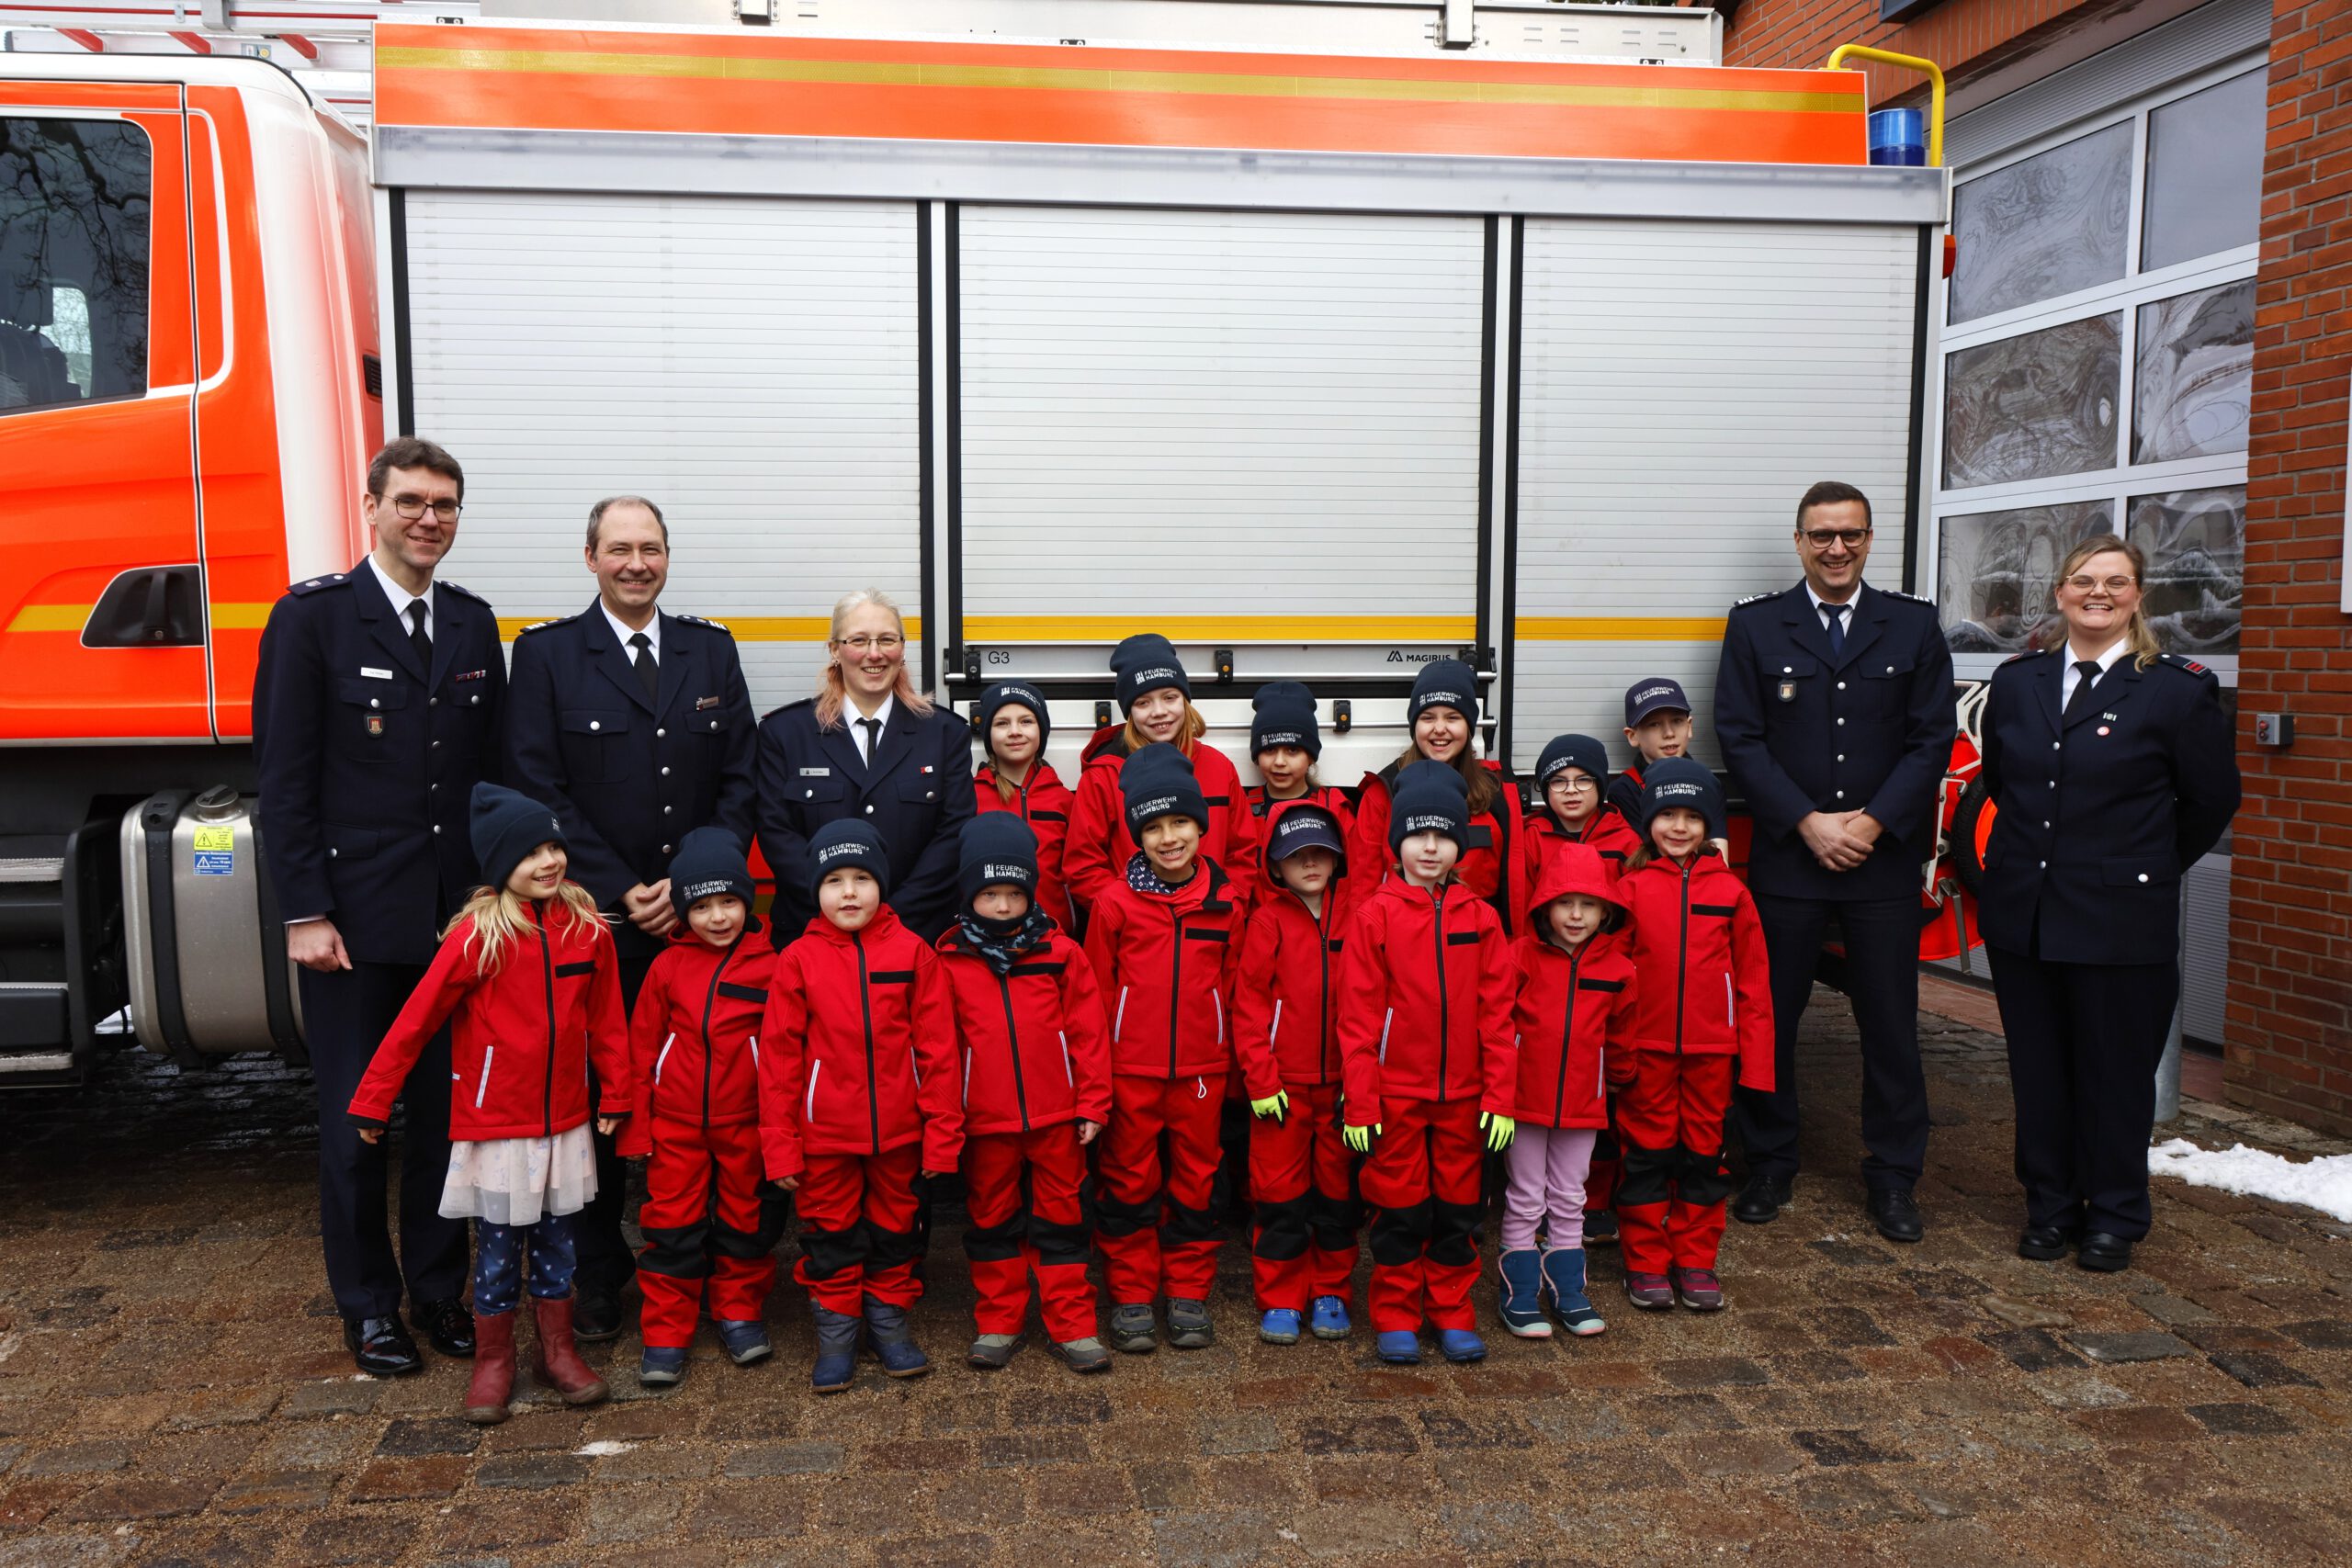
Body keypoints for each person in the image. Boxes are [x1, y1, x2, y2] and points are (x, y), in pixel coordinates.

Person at [252, 436, 503, 1378]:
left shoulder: (471, 623)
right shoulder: (312, 620)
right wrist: (304, 911)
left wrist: (493, 891)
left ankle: (438, 1293)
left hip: (451, 923)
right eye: (411, 502)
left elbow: (487, 776)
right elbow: (284, 782)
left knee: (444, 1124)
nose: (429, 519)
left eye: (444, 505)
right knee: (356, 1128)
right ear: (371, 507)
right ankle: (368, 1307)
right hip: (352, 927)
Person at [503, 494, 758, 1340]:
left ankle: (717, 1266)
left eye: (651, 548)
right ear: (591, 558)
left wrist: (691, 885)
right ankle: (602, 1270)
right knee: (602, 1095)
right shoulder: (546, 655)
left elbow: (740, 775)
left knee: (713, 1096)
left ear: (667, 556)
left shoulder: (710, 649)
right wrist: (621, 887)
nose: (637, 564)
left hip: (697, 920)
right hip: (601, 922)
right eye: (620, 549)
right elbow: (538, 784)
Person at [1977, 535, 2240, 1273]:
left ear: (2137, 596)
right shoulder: (2018, 682)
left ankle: (2114, 1214)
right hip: (2027, 914)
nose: (2099, 593)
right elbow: (2002, 780)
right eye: (2084, 580)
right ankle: (2050, 1206)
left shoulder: (2176, 689)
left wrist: (2141, 868)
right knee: (2040, 1071)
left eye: (2116, 582)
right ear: (2060, 593)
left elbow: (2212, 799)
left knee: (2116, 1075)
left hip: (2121, 920)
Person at [1714, 479, 1956, 1241]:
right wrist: (1808, 822)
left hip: (1881, 863)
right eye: (1822, 535)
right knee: (1771, 1019)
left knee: (1890, 1024)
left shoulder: (1912, 625)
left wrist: (1874, 823)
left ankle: (1894, 1176)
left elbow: (1932, 739)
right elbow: (1739, 736)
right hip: (1792, 859)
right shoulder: (1757, 625)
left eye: (1851, 534)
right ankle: (1770, 1161)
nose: (1837, 548)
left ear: (1870, 539)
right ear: (1799, 542)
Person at [347, 784, 630, 1423]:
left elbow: (609, 1020)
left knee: (560, 1248)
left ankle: (556, 1352)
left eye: (554, 846)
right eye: (530, 852)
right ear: (501, 863)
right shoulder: (478, 935)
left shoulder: (588, 929)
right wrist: (373, 1099)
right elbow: (416, 1020)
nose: (548, 861)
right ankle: (493, 1361)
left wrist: (616, 1090)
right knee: (499, 1254)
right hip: (499, 1126)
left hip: (564, 1125)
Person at [757, 820, 963, 1393]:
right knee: (831, 1235)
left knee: (896, 1232)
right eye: (835, 881)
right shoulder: (797, 959)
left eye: (862, 879)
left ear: (882, 884)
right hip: (824, 1137)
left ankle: (889, 1325)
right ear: (815, 889)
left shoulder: (914, 952)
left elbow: (938, 1050)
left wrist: (942, 1134)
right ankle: (837, 1334)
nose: (849, 892)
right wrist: (780, 1146)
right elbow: (778, 1060)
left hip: (900, 1134)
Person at [1337, 761, 1517, 1367]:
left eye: (1443, 835)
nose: (1431, 847)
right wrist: (1361, 1101)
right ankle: (1395, 1314)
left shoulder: (1481, 918)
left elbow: (1498, 1015)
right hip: (1396, 1098)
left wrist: (1500, 1096)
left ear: (1460, 844)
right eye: (1418, 834)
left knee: (1459, 1212)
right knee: (1400, 1210)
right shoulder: (1374, 915)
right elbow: (1358, 1020)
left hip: (1465, 1099)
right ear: (1398, 843)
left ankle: (1451, 1311)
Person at [1081, 743, 1245, 1355]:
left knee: (1197, 1181)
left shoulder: (1227, 902)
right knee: (1127, 1180)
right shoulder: (1114, 903)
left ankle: (1187, 1292)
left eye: (1180, 823)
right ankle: (1130, 1293)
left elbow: (1238, 989)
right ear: (1137, 835)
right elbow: (1096, 995)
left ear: (1201, 827)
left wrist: (1233, 1066)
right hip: (1131, 1069)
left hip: (1203, 1069)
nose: (1168, 838)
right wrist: (1098, 1077)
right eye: (1153, 827)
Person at [936, 814, 1114, 1373]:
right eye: (990, 894)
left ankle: (1073, 1324)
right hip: (984, 1121)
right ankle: (999, 1320)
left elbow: (1088, 1033)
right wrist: (949, 1120)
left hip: (1058, 1116)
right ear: (969, 896)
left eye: (1015, 893)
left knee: (1063, 1222)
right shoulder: (947, 961)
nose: (1004, 906)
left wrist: (1092, 1102)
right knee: (992, 1222)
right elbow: (940, 1049)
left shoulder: (1061, 953)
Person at [616, 829, 781, 1388]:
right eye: (703, 906)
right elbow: (641, 1049)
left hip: (746, 1126)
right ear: (684, 911)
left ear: (748, 902)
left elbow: (786, 1053)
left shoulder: (772, 965)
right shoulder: (667, 967)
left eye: (729, 902)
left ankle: (738, 1312)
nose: (717, 917)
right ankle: (666, 1331)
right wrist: (637, 1130)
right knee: (672, 1229)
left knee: (745, 1226)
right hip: (676, 1126)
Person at [1612, 760, 1774, 1312]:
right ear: (1649, 822)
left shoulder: (1731, 891)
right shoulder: (1630, 888)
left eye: (1692, 817)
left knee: (1704, 1157)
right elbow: (1612, 976)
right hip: (1647, 1052)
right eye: (1667, 815)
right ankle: (1644, 1260)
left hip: (1712, 1054)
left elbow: (1753, 981)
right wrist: (1614, 1048)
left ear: (1709, 826)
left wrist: (1757, 1065)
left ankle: (1696, 1258)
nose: (1679, 827)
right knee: (1646, 1156)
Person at [754, 590, 977, 943]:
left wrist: (889, 918)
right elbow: (776, 834)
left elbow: (953, 834)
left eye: (887, 640)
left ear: (902, 649)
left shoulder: (945, 734)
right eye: (858, 640)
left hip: (914, 936)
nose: (875, 654)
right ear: (835, 650)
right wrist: (837, 908)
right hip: (813, 937)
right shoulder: (785, 734)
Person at [1232, 800, 1364, 1345]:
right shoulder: (1266, 920)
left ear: (1337, 858)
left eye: (1320, 853)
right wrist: (1262, 1079)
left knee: (1337, 1199)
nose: (1310, 864)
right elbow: (1249, 1005)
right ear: (1275, 866)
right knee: (1279, 1198)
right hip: (1282, 1090)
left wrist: (1362, 1085)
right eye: (1296, 856)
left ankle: (1331, 1290)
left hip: (1342, 1089)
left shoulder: (1360, 914)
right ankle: (1281, 1296)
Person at [1497, 841, 1634, 1340]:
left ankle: (1568, 1289)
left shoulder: (1619, 970)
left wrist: (1618, 1073)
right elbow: (1496, 1023)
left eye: (1588, 904)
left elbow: (1621, 1034)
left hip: (1583, 1104)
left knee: (1571, 1195)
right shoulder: (1519, 957)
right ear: (1544, 907)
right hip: (1523, 1103)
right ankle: (1518, 1290)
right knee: (1525, 1195)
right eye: (1564, 903)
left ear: (1606, 911)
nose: (1576, 916)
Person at [1521, 732, 1643, 1246]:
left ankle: (1592, 1203)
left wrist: (1609, 964)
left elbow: (1633, 914)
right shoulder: (1531, 837)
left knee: (1595, 1110)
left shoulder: (1625, 840)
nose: (1570, 791)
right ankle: (1531, 1219)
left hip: (1602, 981)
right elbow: (1522, 905)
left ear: (1602, 786)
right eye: (1558, 782)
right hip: (1547, 976)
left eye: (1583, 781)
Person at [1065, 635, 1261, 918]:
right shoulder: (1103, 776)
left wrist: (1226, 909)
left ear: (1185, 700)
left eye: (1170, 697)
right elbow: (1083, 867)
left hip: (1210, 926)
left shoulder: (1219, 768)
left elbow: (1243, 854)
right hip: (1138, 933)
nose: (1159, 712)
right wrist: (1133, 918)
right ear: (1129, 711)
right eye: (1143, 702)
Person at [1347, 660, 1530, 937]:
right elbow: (1362, 891)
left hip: (1477, 947)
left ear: (1469, 725)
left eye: (1452, 717)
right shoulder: (1383, 793)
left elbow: (1512, 888)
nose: (1440, 729)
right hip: (1403, 946)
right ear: (1414, 725)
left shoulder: (1496, 792)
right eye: (1428, 717)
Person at [970, 682, 1076, 931]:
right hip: (988, 936)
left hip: (1054, 935)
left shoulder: (1064, 799)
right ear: (988, 733)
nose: (1015, 732)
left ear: (1041, 730)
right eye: (1002, 723)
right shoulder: (970, 797)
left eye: (1026, 721)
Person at [1245, 681, 1353, 824]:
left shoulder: (1334, 809)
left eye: (1292, 750)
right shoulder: (1243, 809)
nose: (1279, 762)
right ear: (1257, 756)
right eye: (1270, 749)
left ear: (1310, 757)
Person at [1606, 679, 1697, 826]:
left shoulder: (1710, 783)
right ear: (1633, 736)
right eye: (1654, 724)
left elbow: (1717, 839)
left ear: (1689, 727)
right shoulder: (1625, 790)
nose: (1669, 733)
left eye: (1677, 721)